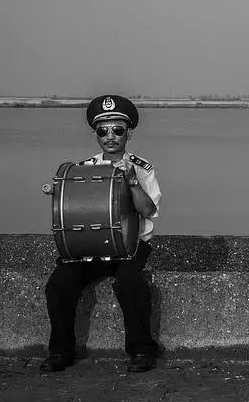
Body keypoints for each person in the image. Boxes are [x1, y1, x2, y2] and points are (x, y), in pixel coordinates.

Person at [41, 95, 163, 373]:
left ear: (128, 133)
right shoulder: (83, 169)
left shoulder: (143, 168)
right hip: (91, 244)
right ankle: (60, 351)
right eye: (103, 131)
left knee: (130, 283)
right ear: (96, 135)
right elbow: (74, 208)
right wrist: (57, 192)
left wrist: (131, 181)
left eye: (118, 130)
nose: (110, 136)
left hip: (131, 246)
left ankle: (142, 351)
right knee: (60, 283)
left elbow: (147, 210)